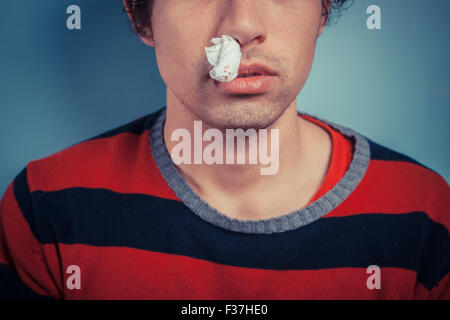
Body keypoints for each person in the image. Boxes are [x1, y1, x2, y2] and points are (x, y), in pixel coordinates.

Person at [0, 0, 448, 300]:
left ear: (323, 10)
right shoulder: (46, 210)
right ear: (141, 17)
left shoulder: (424, 214)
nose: (242, 28)